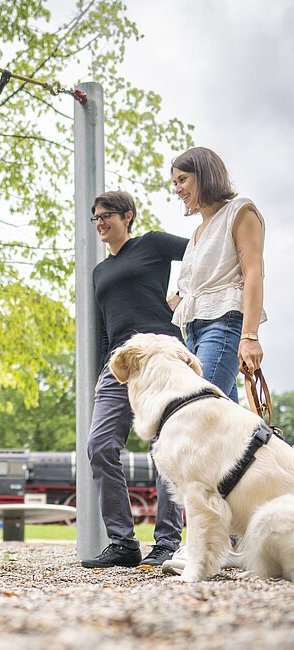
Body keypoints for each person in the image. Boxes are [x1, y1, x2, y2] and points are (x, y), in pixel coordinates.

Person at [162, 146, 266, 576]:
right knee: (228, 436)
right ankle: (241, 539)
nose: (178, 191)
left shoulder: (240, 211)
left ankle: (201, 545)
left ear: (204, 175)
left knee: (199, 430)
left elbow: (253, 271)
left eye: (182, 180)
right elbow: (181, 294)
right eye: (175, 184)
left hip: (225, 325)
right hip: (195, 330)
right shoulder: (198, 233)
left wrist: (250, 335)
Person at [81, 191, 189, 569]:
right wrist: (100, 375)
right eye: (94, 217)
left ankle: (167, 543)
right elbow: (104, 329)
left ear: (127, 216)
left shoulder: (153, 244)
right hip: (119, 365)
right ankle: (123, 543)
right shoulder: (99, 272)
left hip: (159, 356)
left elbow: (202, 256)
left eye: (106, 215)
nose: (100, 223)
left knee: (163, 448)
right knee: (99, 446)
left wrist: (182, 296)